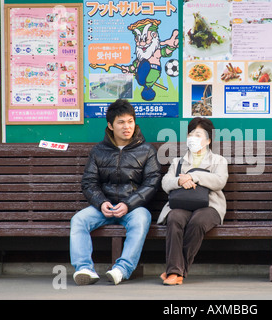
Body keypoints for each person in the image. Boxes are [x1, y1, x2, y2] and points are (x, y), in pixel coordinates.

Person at [70, 99, 161, 285]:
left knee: (142, 220)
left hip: (134, 207)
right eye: (121, 122)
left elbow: (152, 182)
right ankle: (85, 269)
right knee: (78, 220)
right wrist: (101, 202)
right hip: (104, 206)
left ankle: (122, 269)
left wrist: (128, 204)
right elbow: (89, 182)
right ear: (110, 125)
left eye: (130, 121)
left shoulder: (146, 150)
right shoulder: (98, 151)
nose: (126, 127)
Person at [157, 117, 228, 285]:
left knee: (197, 222)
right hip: (182, 203)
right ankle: (176, 272)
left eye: (198, 135)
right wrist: (179, 181)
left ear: (208, 140)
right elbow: (165, 183)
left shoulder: (218, 160)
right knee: (174, 218)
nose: (193, 138)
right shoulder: (177, 162)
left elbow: (219, 181)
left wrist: (194, 176)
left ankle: (174, 271)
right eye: (190, 134)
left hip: (210, 205)